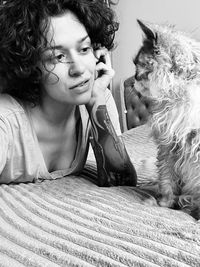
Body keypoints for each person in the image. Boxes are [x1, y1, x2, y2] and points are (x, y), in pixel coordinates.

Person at [0, 0, 137, 186]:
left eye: (84, 49)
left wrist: (96, 99)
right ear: (30, 66)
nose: (79, 69)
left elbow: (121, 180)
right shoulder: (5, 120)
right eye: (59, 57)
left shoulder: (98, 98)